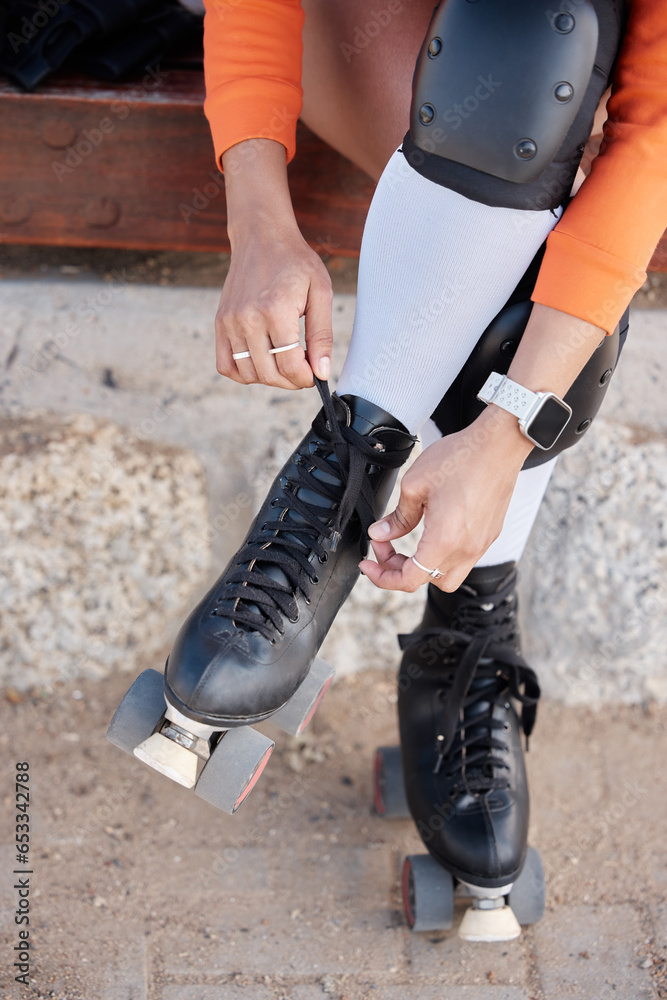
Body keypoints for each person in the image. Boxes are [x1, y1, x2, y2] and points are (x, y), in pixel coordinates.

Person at [165, 0, 666, 929]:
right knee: (526, 57)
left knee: (554, 87)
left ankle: (360, 498)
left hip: (534, 97)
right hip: (363, 30)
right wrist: (260, 225)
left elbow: (652, 133)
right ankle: (442, 599)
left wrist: (501, 436)